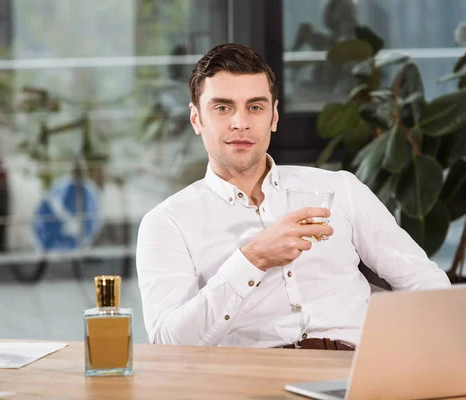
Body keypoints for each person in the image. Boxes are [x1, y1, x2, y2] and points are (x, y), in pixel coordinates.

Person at [135, 43, 451, 350]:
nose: (241, 122)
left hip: (355, 372)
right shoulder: (166, 223)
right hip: (251, 382)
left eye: (255, 107)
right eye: (222, 107)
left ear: (273, 116)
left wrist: (422, 357)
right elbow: (168, 343)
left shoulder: (342, 189)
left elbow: (423, 280)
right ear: (195, 118)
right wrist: (253, 259)